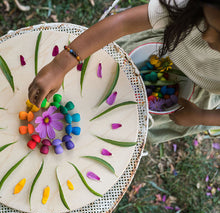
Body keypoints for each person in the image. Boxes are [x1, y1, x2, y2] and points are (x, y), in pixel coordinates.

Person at [28, 0, 220, 144]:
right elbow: (122, 24)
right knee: (99, 81)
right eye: (206, 21)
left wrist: (202, 117)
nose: (206, 35)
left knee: (127, 125)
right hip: (165, 47)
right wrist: (61, 65)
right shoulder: (194, 5)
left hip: (199, 91)